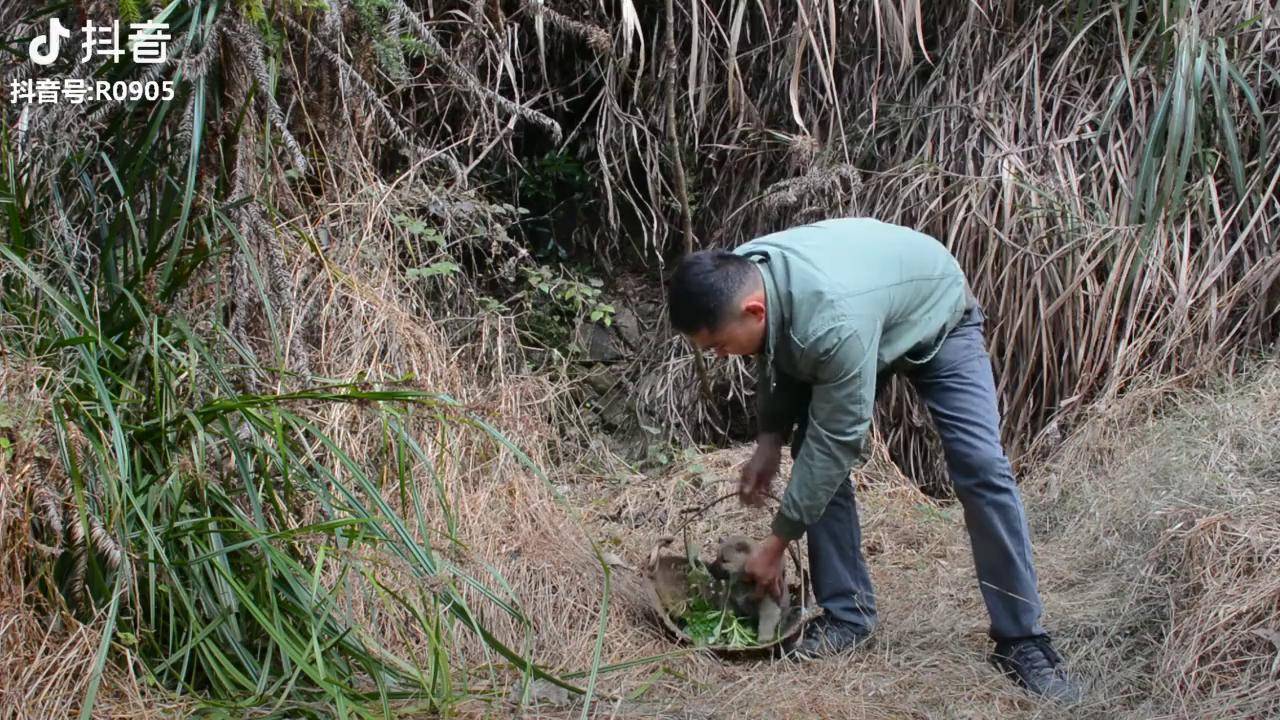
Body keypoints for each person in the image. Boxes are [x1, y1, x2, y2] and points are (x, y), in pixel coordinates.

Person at [666, 217, 1081, 702]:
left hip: (935, 316)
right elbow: (775, 357)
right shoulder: (746, 272)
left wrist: (776, 543)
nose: (717, 356)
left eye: (717, 345)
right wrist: (769, 439)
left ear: (753, 310)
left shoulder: (831, 323)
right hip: (862, 312)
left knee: (980, 467)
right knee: (809, 456)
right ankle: (848, 616)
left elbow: (839, 441)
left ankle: (1022, 638)